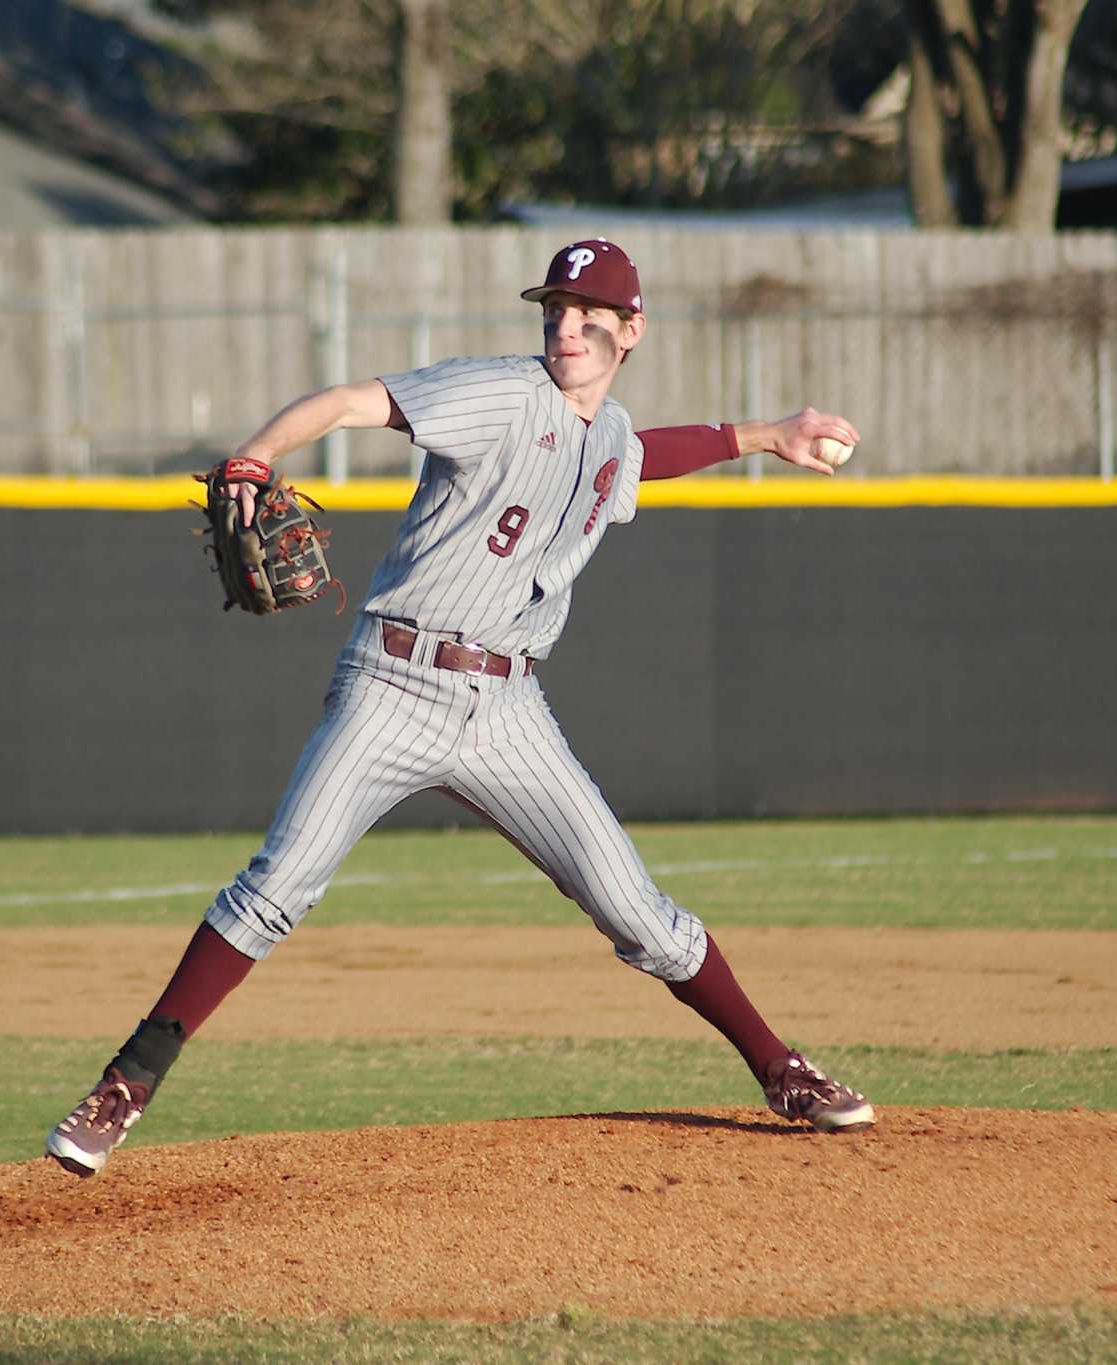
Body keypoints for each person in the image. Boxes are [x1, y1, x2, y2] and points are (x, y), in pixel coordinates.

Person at [47, 238, 871, 1178]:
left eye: (588, 312)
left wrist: (767, 435)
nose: (566, 327)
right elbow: (355, 402)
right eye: (554, 309)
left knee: (638, 912)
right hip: (393, 683)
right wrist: (255, 455)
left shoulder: (608, 434)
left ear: (630, 329)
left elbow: (635, 455)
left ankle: (780, 1068)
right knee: (275, 889)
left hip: (506, 704)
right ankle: (126, 1084)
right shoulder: (501, 392)